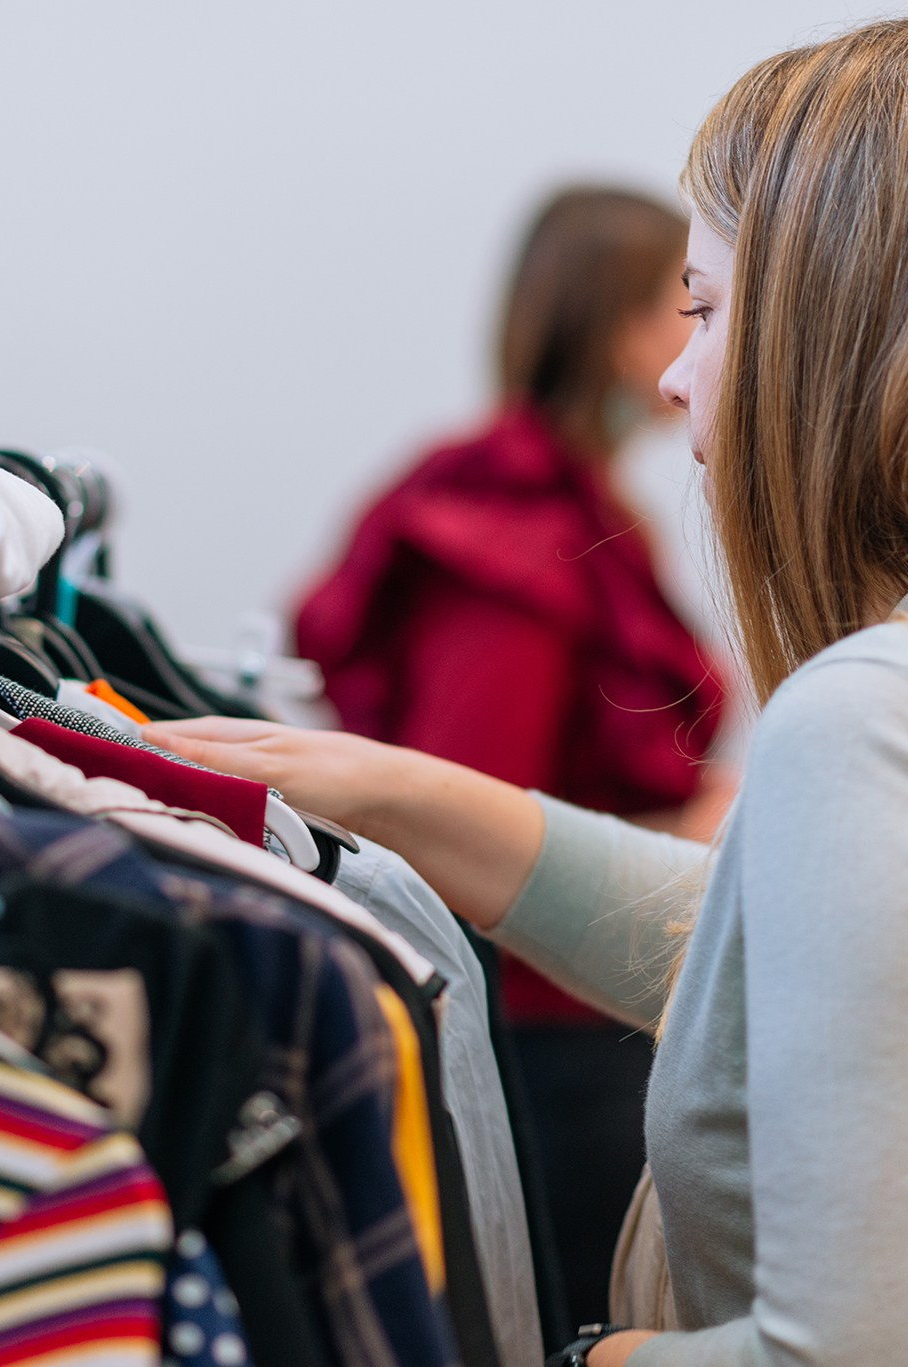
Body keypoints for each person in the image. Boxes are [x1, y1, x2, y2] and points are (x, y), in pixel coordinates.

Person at [153, 16, 908, 1365]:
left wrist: (583, 1355)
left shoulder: (895, 719)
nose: (679, 373)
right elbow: (825, 955)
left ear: (838, 330)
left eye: (704, 306)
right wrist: (390, 792)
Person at [291, 185, 730, 1330]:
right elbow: (458, 800)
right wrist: (683, 832)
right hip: (547, 1023)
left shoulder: (569, 505)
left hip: (590, 987)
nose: (694, 346)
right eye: (683, 307)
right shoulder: (508, 533)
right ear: (611, 322)